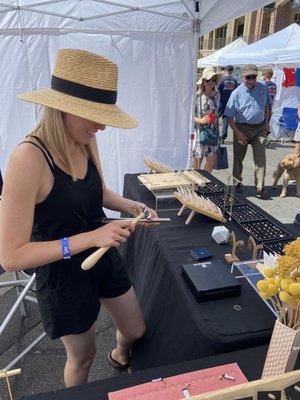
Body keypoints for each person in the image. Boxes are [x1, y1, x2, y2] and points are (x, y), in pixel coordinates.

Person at [0, 49, 157, 387]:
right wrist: (91, 239)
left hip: (101, 257)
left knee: (134, 330)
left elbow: (97, 192)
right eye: (96, 115)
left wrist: (132, 206)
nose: (102, 125)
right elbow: (11, 256)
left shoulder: (84, 140)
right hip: (63, 273)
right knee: (82, 356)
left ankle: (118, 355)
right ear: (66, 109)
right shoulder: (28, 158)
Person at [224, 64, 271, 199]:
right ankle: (237, 181)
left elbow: (267, 106)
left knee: (260, 157)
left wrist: (266, 123)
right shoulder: (236, 93)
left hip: (260, 129)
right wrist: (237, 132)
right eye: (248, 77)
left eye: (254, 77)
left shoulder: (263, 88)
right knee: (238, 158)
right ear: (243, 77)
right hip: (242, 129)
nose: (251, 80)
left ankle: (260, 187)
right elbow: (229, 116)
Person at [192, 67, 221, 172]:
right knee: (197, 163)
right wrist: (200, 120)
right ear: (203, 82)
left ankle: (204, 182)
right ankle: (195, 185)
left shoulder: (216, 95)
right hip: (200, 131)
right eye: (208, 80)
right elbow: (188, 115)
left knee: (211, 161)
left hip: (213, 132)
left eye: (213, 79)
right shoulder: (197, 96)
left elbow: (217, 113)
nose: (211, 82)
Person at [218, 65, 238, 142]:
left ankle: (215, 134)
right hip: (230, 102)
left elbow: (217, 89)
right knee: (226, 120)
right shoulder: (235, 80)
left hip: (221, 101)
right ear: (232, 71)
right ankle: (223, 136)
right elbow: (236, 92)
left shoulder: (222, 79)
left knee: (215, 118)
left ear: (225, 70)